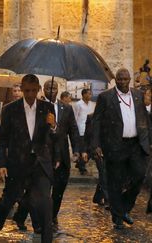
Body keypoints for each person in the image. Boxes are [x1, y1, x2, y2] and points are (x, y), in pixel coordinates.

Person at [0, 74, 60, 243]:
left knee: (46, 203)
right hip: (18, 163)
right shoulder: (11, 109)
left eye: (34, 90)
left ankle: (46, 239)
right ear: (22, 89)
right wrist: (2, 164)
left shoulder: (47, 108)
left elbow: (53, 138)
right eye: (27, 91)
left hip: (40, 163)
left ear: (38, 89)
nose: (30, 94)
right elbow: (2, 141)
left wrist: (53, 126)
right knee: (8, 200)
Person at [12, 80, 82, 231]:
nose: (52, 90)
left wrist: (77, 149)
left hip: (61, 155)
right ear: (43, 89)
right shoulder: (37, 107)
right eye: (49, 87)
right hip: (41, 155)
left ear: (58, 90)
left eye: (54, 88)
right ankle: (35, 221)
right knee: (36, 190)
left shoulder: (67, 109)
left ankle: (50, 217)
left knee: (58, 190)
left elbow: (73, 130)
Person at [91, 68, 151, 229]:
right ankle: (118, 216)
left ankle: (123, 207)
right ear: (115, 80)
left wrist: (149, 141)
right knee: (115, 181)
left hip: (135, 145)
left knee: (139, 176)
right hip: (115, 145)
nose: (123, 82)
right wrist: (96, 145)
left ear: (130, 79)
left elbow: (144, 119)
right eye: (120, 79)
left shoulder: (137, 95)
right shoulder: (106, 97)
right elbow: (96, 121)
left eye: (125, 79)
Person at [73, 88, 95, 174]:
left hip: (89, 130)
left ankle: (80, 163)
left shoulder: (91, 104)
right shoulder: (78, 104)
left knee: (89, 149)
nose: (90, 95)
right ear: (84, 94)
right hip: (81, 129)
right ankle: (82, 167)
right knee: (83, 149)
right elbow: (74, 117)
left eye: (91, 94)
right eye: (89, 94)